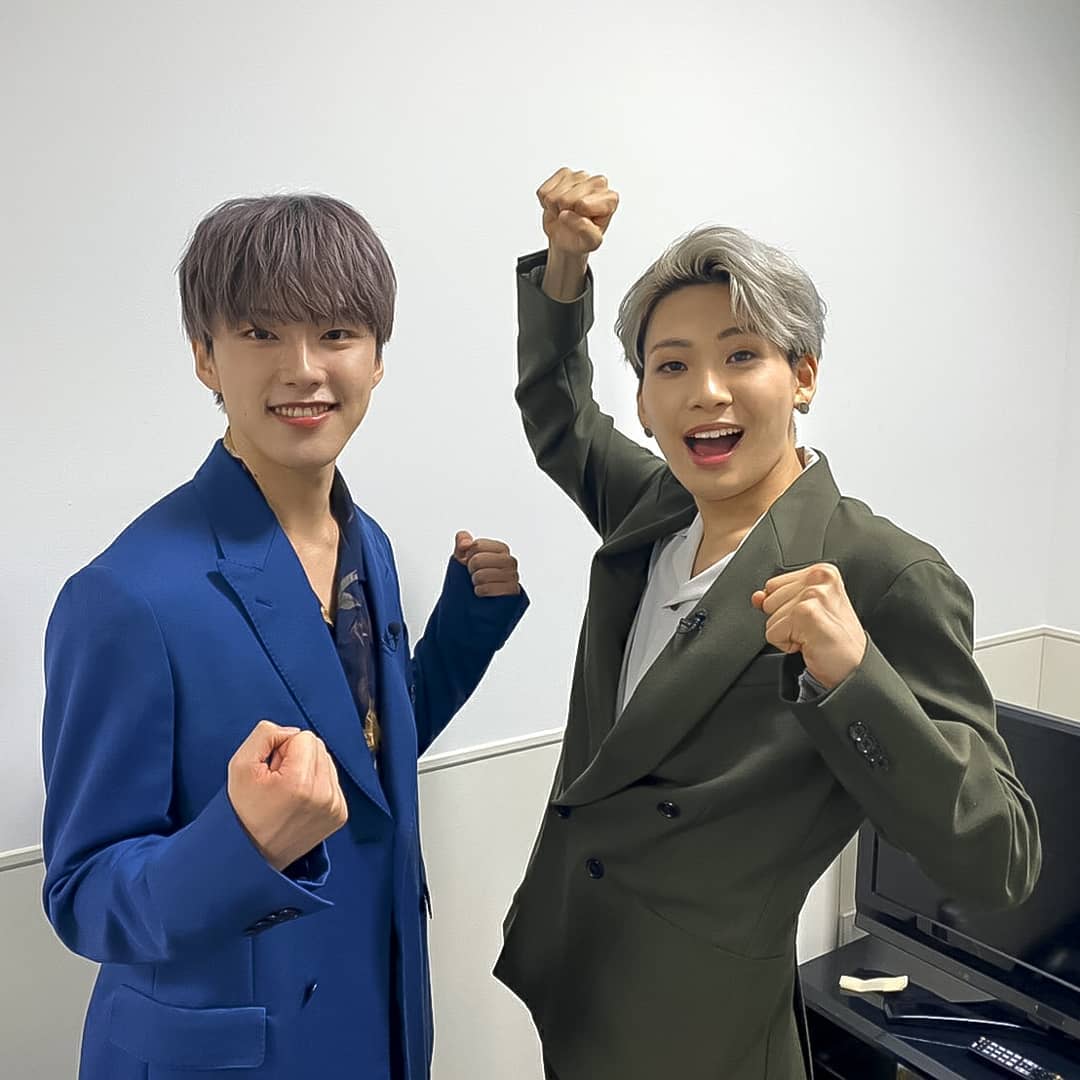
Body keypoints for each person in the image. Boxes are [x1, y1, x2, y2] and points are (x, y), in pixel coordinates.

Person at [493, 168, 1040, 1080]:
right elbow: (558, 413)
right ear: (645, 401)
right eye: (672, 365)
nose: (706, 391)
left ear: (804, 377)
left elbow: (1000, 860)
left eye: (742, 355)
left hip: (702, 1030)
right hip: (574, 975)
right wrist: (563, 268)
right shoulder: (655, 509)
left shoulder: (882, 571)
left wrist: (854, 676)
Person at [41, 193, 528, 1080]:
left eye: (337, 332)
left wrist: (468, 627)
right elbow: (82, 894)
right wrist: (243, 842)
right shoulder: (124, 596)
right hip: (236, 1056)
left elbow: (364, 759)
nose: (304, 369)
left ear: (377, 359)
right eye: (261, 333)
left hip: (381, 1017)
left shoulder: (368, 544)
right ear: (205, 356)